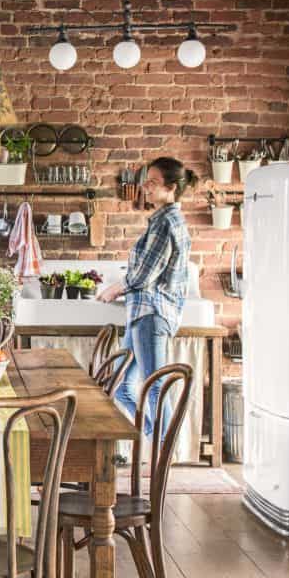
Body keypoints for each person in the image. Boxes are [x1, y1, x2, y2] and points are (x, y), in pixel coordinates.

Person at [96, 157, 197, 436]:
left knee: (154, 388)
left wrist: (116, 288)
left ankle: (161, 455)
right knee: (119, 385)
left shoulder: (166, 223)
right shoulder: (163, 220)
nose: (146, 188)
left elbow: (144, 276)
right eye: (146, 182)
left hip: (151, 315)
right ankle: (156, 443)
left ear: (171, 188)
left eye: (153, 183)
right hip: (143, 315)